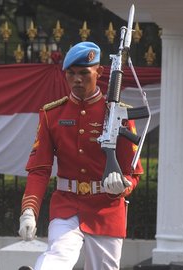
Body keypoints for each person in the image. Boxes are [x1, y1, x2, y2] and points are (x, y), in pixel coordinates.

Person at [18, 41, 143, 270]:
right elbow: (40, 169)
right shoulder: (52, 114)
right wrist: (29, 210)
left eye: (84, 73)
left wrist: (122, 186)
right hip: (67, 203)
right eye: (71, 74)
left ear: (100, 72)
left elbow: (132, 172)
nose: (77, 80)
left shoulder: (119, 114)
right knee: (56, 257)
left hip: (107, 208)